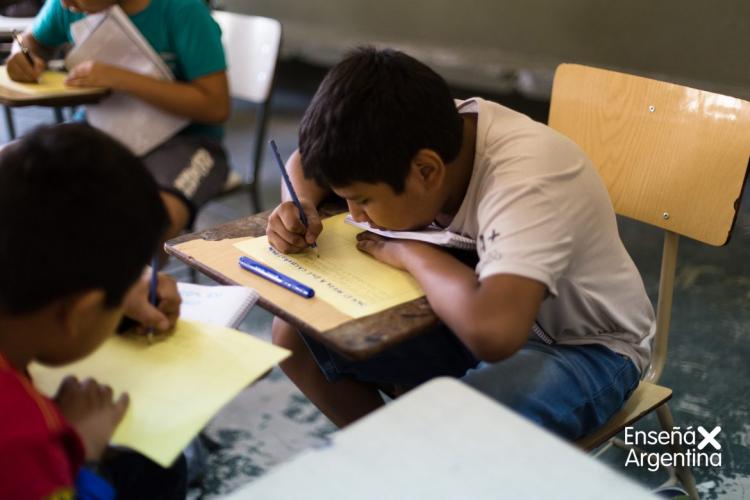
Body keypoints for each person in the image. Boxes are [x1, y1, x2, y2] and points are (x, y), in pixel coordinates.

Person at [268, 47, 655, 439]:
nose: (357, 215)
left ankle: (428, 467)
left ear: (426, 171)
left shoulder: (526, 182)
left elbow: (495, 333)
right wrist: (296, 204)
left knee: (457, 431)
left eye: (364, 200)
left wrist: (411, 254)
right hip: (464, 313)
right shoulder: (410, 130)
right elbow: (305, 162)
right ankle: (395, 463)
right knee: (295, 337)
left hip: (583, 347)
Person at [0, 123, 185, 498]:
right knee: (159, 468)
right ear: (78, 312)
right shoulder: (26, 441)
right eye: (114, 305)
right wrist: (83, 452)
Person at [5, 0, 231, 241]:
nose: (65, 3)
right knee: (11, 178)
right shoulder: (67, 5)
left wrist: (121, 78)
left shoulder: (182, 9)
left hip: (186, 142)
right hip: (99, 129)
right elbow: (33, 42)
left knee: (145, 228)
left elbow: (216, 106)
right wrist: (22, 56)